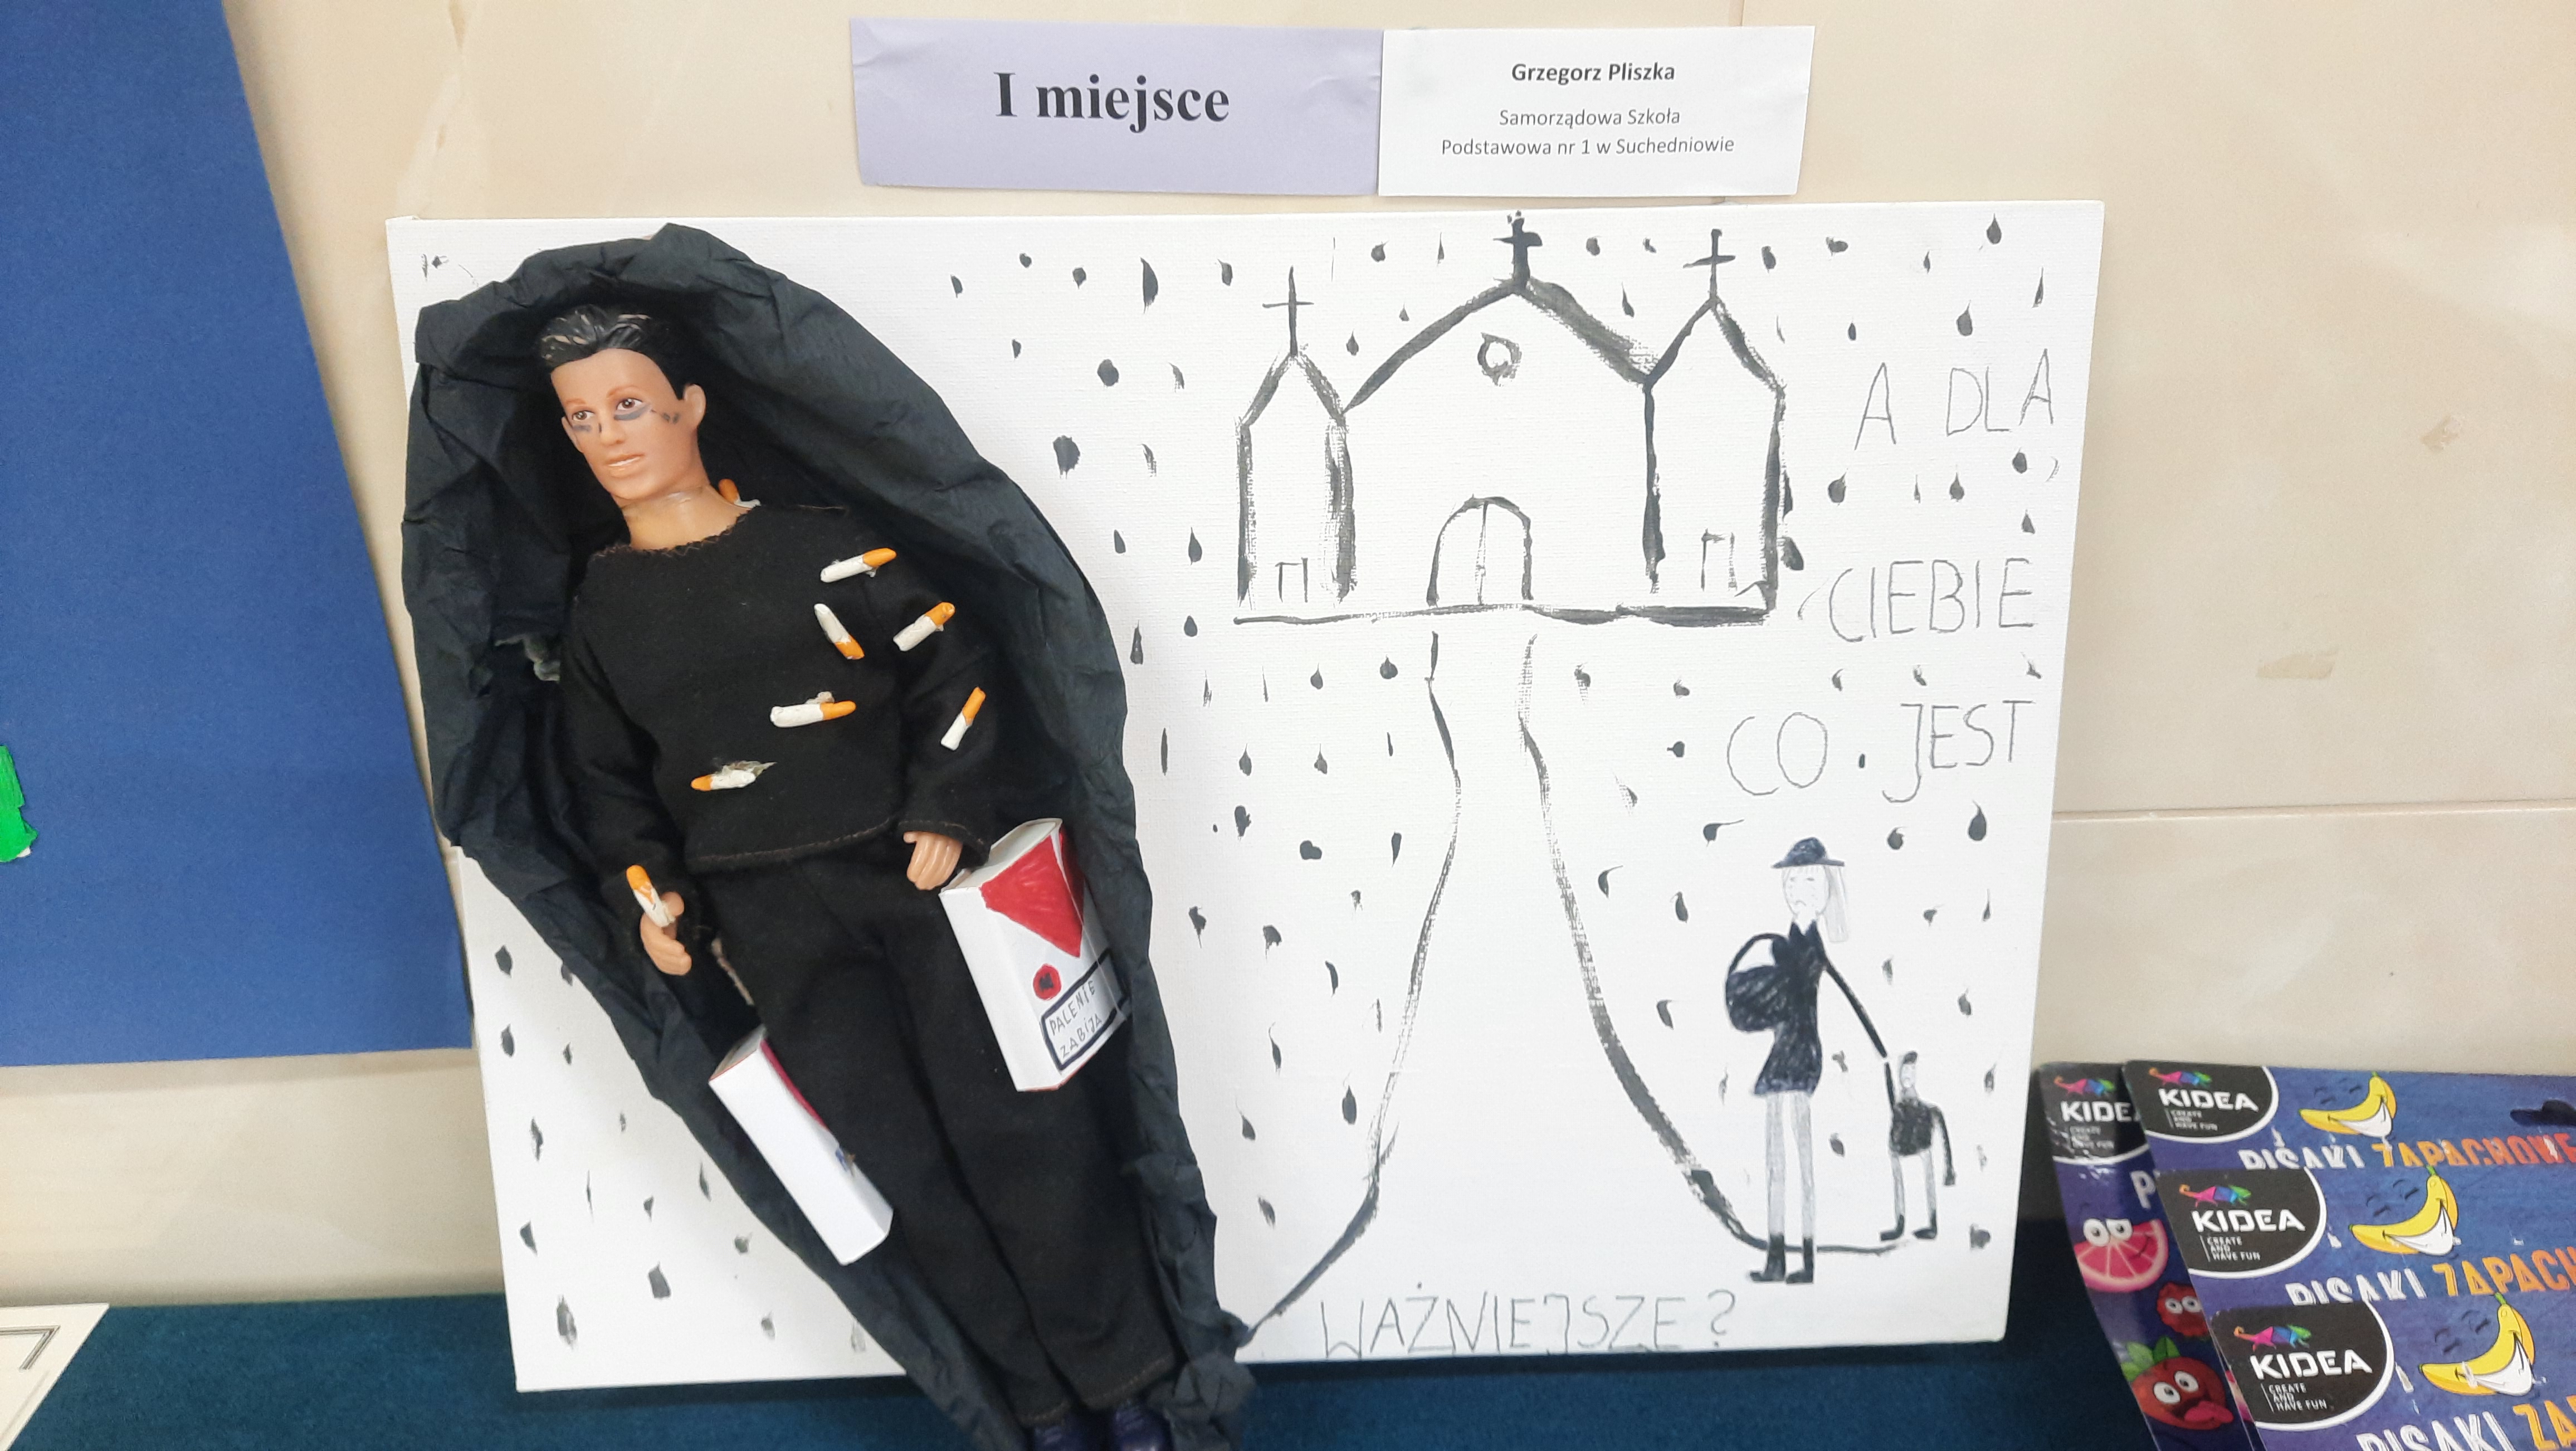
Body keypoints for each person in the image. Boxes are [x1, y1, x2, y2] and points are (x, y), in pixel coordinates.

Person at [541, 304, 1178, 1451]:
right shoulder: (602, 607)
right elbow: (607, 781)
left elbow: (954, 663)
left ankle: (1125, 1380)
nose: (608, 437)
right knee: (901, 1162)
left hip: (913, 887)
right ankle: (1036, 1405)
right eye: (579, 419)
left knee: (1024, 1131)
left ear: (691, 406)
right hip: (766, 919)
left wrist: (945, 801)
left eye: (628, 405)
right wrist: (653, 895)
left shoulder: (824, 548)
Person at [1723, 837, 1887, 1284]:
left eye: (1810, 881)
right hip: (1784, 1053)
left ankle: (1807, 1260)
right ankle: (1777, 1258)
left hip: (1800, 1055)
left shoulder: (1807, 944)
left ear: (1828, 887)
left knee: (1800, 1161)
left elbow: (1795, 982)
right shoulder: (1793, 939)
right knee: (1777, 1162)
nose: (1799, 890)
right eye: (1793, 881)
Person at [1878, 1050, 1953, 1241]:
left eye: (1911, 1070)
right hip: (1899, 1148)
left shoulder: (1927, 1110)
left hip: (1919, 1145)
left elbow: (1943, 1135)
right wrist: (1886, 1065)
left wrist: (1950, 1169)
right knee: (1899, 1181)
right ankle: (1900, 1223)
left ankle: (1932, 1223)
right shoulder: (1898, 1103)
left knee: (1926, 1177)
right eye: (1904, 1070)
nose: (1907, 1075)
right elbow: (1890, 1090)